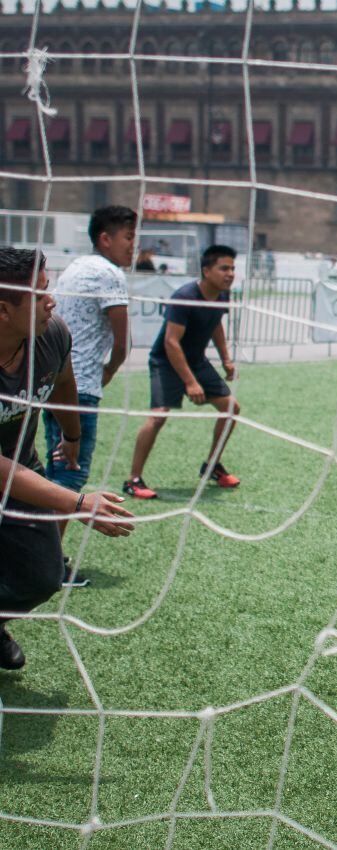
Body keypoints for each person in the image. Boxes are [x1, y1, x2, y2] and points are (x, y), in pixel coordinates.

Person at [0, 247, 134, 670]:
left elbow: (62, 381)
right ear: (4, 310)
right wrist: (77, 503)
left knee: (42, 575)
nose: (52, 301)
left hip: (22, 464)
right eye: (40, 295)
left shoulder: (52, 333)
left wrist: (72, 435)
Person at [41, 206, 135, 586]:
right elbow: (121, 338)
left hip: (50, 381)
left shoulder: (76, 267)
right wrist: (109, 370)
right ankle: (50, 565)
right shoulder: (109, 274)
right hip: (78, 387)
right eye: (128, 237)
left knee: (50, 471)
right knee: (68, 475)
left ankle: (37, 556)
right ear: (105, 239)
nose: (133, 246)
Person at [124, 245, 241, 499]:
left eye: (232, 268)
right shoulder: (185, 296)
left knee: (232, 408)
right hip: (166, 362)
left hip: (196, 360)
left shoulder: (222, 295)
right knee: (158, 416)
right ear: (206, 271)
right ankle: (133, 480)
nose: (230, 273)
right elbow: (171, 342)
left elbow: (216, 325)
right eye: (224, 268)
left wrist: (226, 359)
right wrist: (190, 382)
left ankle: (211, 466)